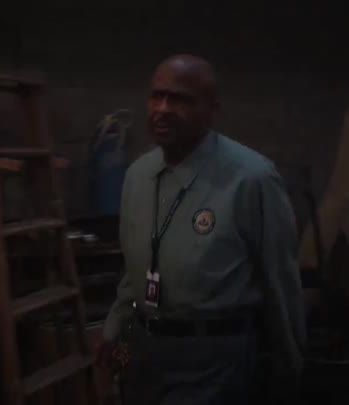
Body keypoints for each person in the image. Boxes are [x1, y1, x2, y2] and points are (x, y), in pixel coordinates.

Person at [94, 54, 306, 404]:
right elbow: (135, 271)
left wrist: (290, 365)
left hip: (215, 359)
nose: (162, 109)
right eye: (157, 96)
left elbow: (280, 281)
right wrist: (115, 329)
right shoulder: (138, 176)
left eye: (180, 99)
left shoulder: (251, 179)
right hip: (145, 350)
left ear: (212, 109)